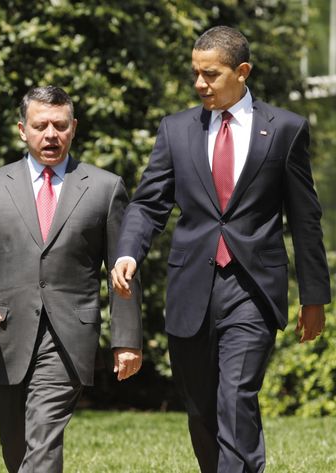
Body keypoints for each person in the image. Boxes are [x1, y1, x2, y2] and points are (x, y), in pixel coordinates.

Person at [111, 26, 331, 473]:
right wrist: (129, 250)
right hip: (191, 287)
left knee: (237, 399)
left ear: (242, 72)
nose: (199, 84)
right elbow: (149, 202)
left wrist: (314, 296)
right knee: (202, 411)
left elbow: (304, 219)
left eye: (210, 74)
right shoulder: (176, 130)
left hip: (253, 290)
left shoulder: (286, 130)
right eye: (195, 73)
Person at [0, 85, 142, 473]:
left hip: (68, 338)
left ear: (74, 127)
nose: (50, 134)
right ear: (23, 130)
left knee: (43, 439)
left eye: (59, 125)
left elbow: (123, 268)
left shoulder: (105, 188)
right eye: (40, 126)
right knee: (16, 449)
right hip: (3, 335)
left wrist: (127, 339)